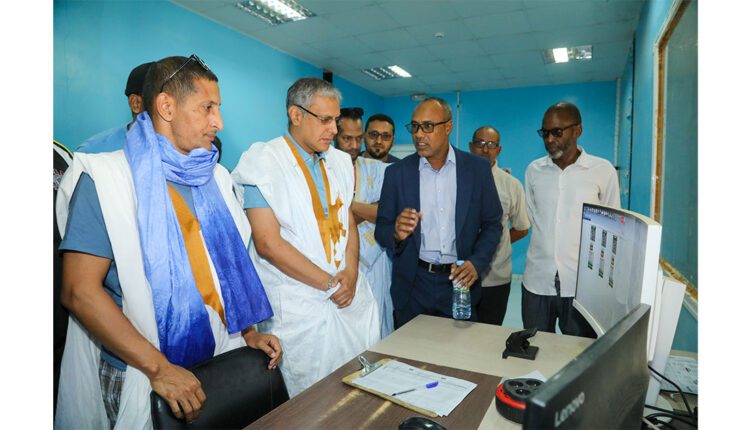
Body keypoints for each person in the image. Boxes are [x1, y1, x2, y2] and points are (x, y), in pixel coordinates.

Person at [55, 55, 282, 428]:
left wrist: (248, 334)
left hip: (216, 355)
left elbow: (222, 273)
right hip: (141, 368)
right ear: (166, 107)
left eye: (218, 109)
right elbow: (79, 292)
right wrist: (159, 368)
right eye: (207, 108)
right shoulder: (107, 178)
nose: (219, 122)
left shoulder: (217, 178)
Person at [232, 77, 380, 397]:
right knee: (307, 402)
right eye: (325, 120)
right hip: (299, 307)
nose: (333, 130)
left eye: (335, 120)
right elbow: (268, 244)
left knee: (356, 392)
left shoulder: (340, 162)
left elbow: (347, 220)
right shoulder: (263, 162)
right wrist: (329, 283)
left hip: (346, 298)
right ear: (296, 115)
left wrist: (351, 272)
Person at [374, 97, 502, 328]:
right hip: (414, 284)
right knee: (410, 349)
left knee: (458, 348)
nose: (419, 134)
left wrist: (476, 262)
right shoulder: (397, 173)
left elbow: (492, 224)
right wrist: (395, 233)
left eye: (428, 126)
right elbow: (382, 229)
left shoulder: (477, 169)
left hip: (460, 282)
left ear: (448, 126)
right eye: (415, 127)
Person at [523, 102, 620, 337]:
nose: (549, 139)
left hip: (582, 284)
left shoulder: (602, 170)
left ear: (577, 130)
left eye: (557, 132)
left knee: (580, 350)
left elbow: (612, 226)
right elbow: (533, 215)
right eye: (545, 133)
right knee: (535, 346)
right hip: (538, 279)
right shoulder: (534, 170)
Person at [333, 106, 394, 338]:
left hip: (376, 262)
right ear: (334, 135)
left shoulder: (377, 169)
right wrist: (368, 209)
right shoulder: (324, 169)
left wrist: (346, 208)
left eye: (359, 138)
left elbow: (387, 212)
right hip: (338, 262)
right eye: (347, 138)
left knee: (377, 325)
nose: (354, 145)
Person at [469, 126, 530, 325]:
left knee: (489, 335)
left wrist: (492, 245)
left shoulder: (511, 185)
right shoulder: (457, 179)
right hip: (461, 276)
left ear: (499, 150)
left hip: (496, 278)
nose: (485, 149)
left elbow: (522, 228)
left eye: (491, 144)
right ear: (471, 147)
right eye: (480, 143)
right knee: (457, 335)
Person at [75, 61, 154, 154]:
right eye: (162, 99)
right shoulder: (92, 152)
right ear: (136, 103)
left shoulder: (169, 147)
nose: (167, 107)